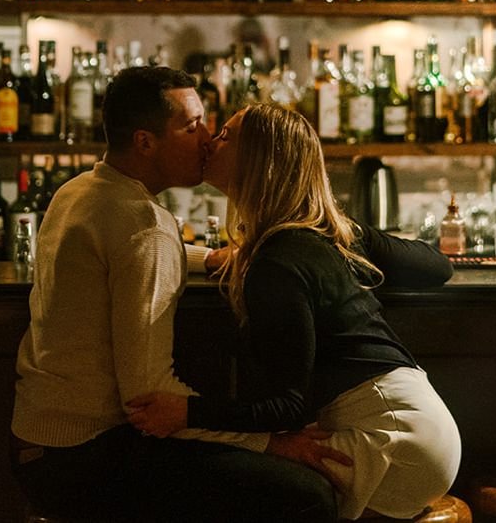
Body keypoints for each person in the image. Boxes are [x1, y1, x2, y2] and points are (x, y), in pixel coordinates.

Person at [10, 66, 348, 523]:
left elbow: (120, 249)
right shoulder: (145, 230)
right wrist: (269, 442)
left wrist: (204, 257)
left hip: (35, 443)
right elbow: (151, 401)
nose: (208, 138)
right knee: (309, 496)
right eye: (191, 127)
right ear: (146, 142)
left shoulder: (78, 192)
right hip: (88, 457)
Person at [128, 103, 462, 521]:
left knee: (198, 467)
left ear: (259, 160)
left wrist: (184, 412)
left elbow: (288, 407)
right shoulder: (327, 234)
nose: (212, 140)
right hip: (423, 426)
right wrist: (221, 256)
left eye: (227, 135)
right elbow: (437, 264)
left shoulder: (277, 263)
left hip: (392, 445)